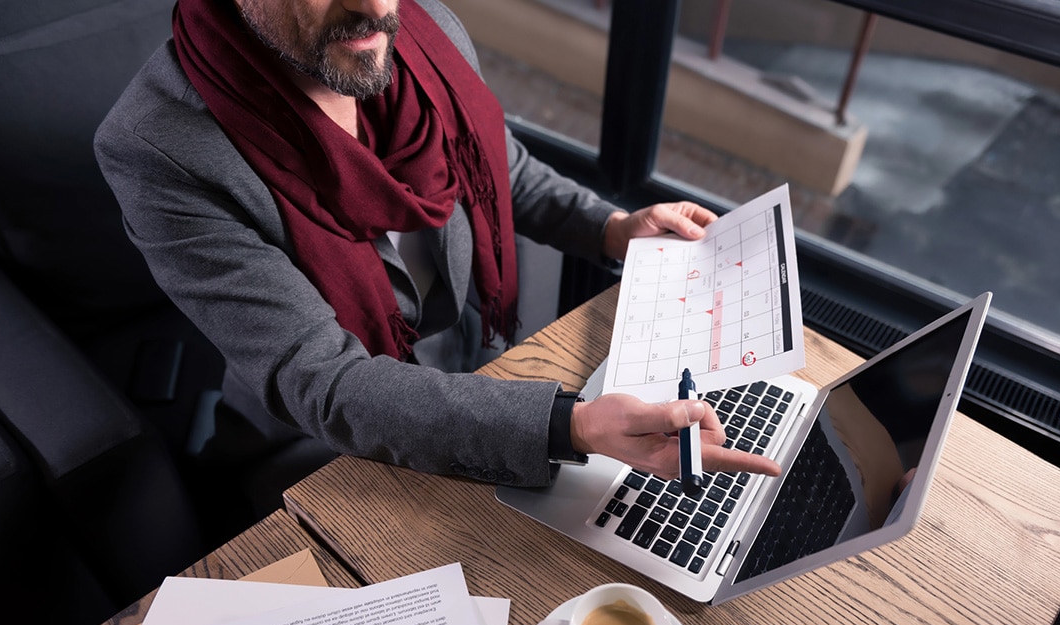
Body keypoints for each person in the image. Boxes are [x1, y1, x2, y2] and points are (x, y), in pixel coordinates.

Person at [95, 0, 780, 487]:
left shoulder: (425, 34)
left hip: (485, 381)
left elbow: (496, 167)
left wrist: (613, 227)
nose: (373, 9)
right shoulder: (160, 149)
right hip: (330, 460)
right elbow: (329, 384)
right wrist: (567, 426)